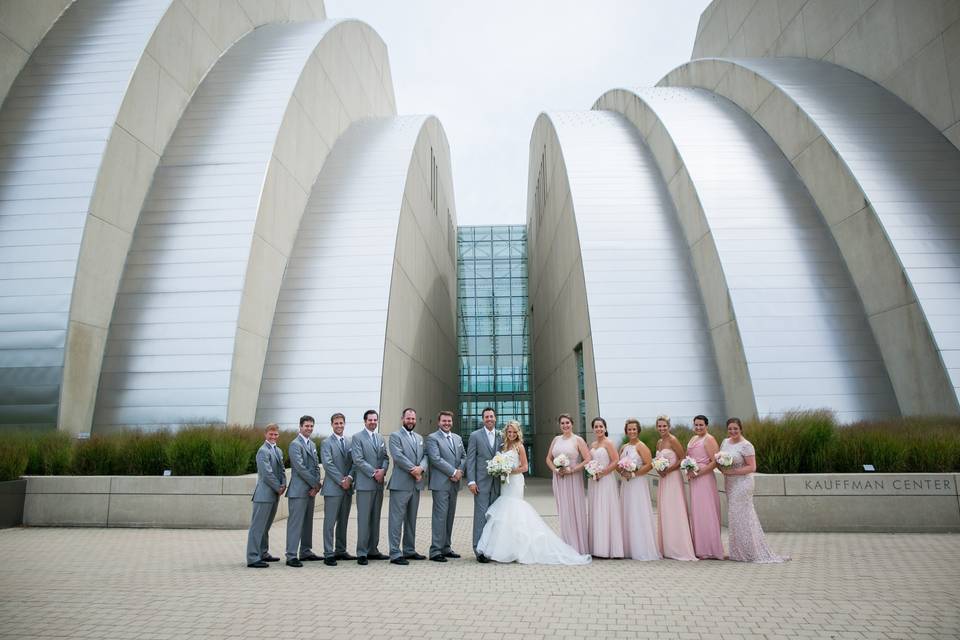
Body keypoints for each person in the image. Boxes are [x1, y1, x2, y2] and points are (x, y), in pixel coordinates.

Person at [476, 421, 590, 565]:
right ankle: (507, 548)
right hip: (505, 483)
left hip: (515, 482)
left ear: (518, 433)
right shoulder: (504, 446)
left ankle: (519, 549)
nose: (511, 434)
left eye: (514, 432)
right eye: (509, 432)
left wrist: (509, 470)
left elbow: (525, 467)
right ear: (506, 433)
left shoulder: (520, 447)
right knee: (505, 513)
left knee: (515, 511)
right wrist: (499, 469)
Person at [720, 418, 789, 563]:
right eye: (730, 429)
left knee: (744, 515)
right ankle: (738, 552)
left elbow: (752, 467)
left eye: (735, 429)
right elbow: (720, 460)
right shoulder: (725, 443)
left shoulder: (746, 445)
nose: (733, 431)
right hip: (730, 484)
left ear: (741, 429)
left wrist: (732, 472)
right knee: (734, 516)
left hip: (743, 483)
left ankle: (752, 552)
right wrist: (722, 467)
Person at [544, 413, 591, 554]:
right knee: (564, 511)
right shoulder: (556, 439)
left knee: (574, 509)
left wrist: (572, 470)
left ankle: (578, 545)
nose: (565, 425)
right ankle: (566, 543)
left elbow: (587, 459)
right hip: (559, 478)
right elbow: (548, 459)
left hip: (573, 478)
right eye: (562, 423)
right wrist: (556, 470)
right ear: (560, 425)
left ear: (572, 424)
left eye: (567, 423)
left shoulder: (578, 440)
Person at [387, 408, 428, 565]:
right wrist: (414, 470)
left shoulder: (419, 437)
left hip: (415, 485)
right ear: (402, 418)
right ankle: (395, 553)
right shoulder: (395, 436)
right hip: (400, 484)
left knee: (411, 519)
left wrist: (421, 468)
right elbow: (398, 456)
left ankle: (409, 550)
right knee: (396, 520)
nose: (411, 421)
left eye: (413, 419)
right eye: (408, 418)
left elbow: (426, 455)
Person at [654, 415, 697, 561]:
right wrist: (659, 469)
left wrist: (669, 469)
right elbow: (657, 460)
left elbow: (682, 458)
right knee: (665, 510)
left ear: (669, 426)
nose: (662, 428)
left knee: (674, 509)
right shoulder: (659, 442)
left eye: (664, 426)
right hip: (663, 479)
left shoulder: (673, 440)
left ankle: (679, 547)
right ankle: (667, 547)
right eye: (659, 426)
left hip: (672, 478)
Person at [425, 410, 466, 562]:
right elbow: (435, 459)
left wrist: (460, 471)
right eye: (444, 421)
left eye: (449, 421)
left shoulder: (457, 438)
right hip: (441, 483)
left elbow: (464, 456)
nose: (447, 423)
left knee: (449, 516)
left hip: (455, 483)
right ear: (439, 422)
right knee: (440, 517)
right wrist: (453, 471)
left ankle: (446, 547)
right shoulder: (432, 438)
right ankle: (435, 550)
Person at [351, 409, 389, 564]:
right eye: (370, 420)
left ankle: (373, 549)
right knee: (364, 519)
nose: (373, 422)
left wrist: (383, 470)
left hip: (378, 485)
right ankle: (362, 552)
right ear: (365, 421)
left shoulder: (380, 437)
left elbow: (385, 457)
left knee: (375, 518)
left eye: (375, 420)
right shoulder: (357, 438)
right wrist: (374, 473)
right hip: (365, 484)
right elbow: (358, 459)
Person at [245, 423, 286, 568]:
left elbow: (281, 470)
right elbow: (267, 473)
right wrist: (278, 487)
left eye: (275, 434)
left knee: (266, 526)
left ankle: (263, 553)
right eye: (271, 434)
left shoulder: (278, 451)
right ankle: (252, 557)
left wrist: (283, 484)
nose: (273, 436)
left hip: (274, 494)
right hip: (264, 495)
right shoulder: (262, 451)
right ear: (265, 434)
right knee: (257, 527)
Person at [618, 419, 659, 561]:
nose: (632, 432)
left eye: (634, 429)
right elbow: (618, 464)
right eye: (629, 429)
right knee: (627, 511)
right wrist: (622, 471)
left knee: (637, 512)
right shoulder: (624, 447)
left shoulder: (642, 446)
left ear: (638, 430)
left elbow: (649, 464)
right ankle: (628, 547)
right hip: (626, 484)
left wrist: (633, 473)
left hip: (637, 483)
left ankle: (641, 547)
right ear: (626, 431)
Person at [685, 414, 724, 559]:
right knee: (697, 512)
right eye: (696, 425)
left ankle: (711, 549)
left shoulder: (709, 439)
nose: (698, 427)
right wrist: (688, 468)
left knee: (707, 511)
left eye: (701, 425)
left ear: (706, 425)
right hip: (694, 478)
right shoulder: (693, 438)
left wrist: (699, 472)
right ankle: (699, 547)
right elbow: (688, 457)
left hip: (704, 478)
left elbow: (715, 461)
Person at [285, 415, 322, 566]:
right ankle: (291, 555)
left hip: (310, 490)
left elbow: (316, 465)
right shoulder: (295, 444)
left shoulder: (311, 444)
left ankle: (305, 551)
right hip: (299, 491)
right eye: (307, 426)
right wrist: (315, 484)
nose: (309, 428)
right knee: (295, 523)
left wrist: (316, 484)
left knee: (307, 523)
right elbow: (300, 468)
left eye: (311, 426)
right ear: (300, 427)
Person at [466, 406, 501, 563]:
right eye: (486, 417)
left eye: (491, 416)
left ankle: (492, 549)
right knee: (480, 517)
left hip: (498, 485)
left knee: (494, 518)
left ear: (495, 418)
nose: (489, 419)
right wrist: (471, 481)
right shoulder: (475, 436)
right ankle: (478, 550)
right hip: (480, 484)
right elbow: (470, 459)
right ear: (483, 419)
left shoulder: (501, 435)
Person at [320, 412, 355, 566]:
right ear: (332, 425)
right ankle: (328, 553)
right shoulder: (326, 443)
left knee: (343, 521)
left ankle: (341, 550)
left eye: (341, 423)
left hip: (347, 488)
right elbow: (328, 464)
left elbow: (355, 462)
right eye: (336, 423)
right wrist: (341, 480)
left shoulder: (350, 442)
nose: (339, 426)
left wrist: (350, 478)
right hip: (333, 488)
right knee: (330, 522)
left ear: (344, 424)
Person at [586, 417, 624, 558]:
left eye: (601, 426)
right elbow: (590, 461)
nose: (599, 429)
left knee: (606, 509)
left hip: (606, 479)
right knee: (596, 510)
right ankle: (597, 547)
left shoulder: (609, 443)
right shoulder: (593, 444)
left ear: (605, 428)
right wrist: (591, 472)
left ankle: (608, 548)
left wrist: (603, 473)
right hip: (594, 481)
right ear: (593, 429)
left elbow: (615, 461)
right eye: (596, 426)